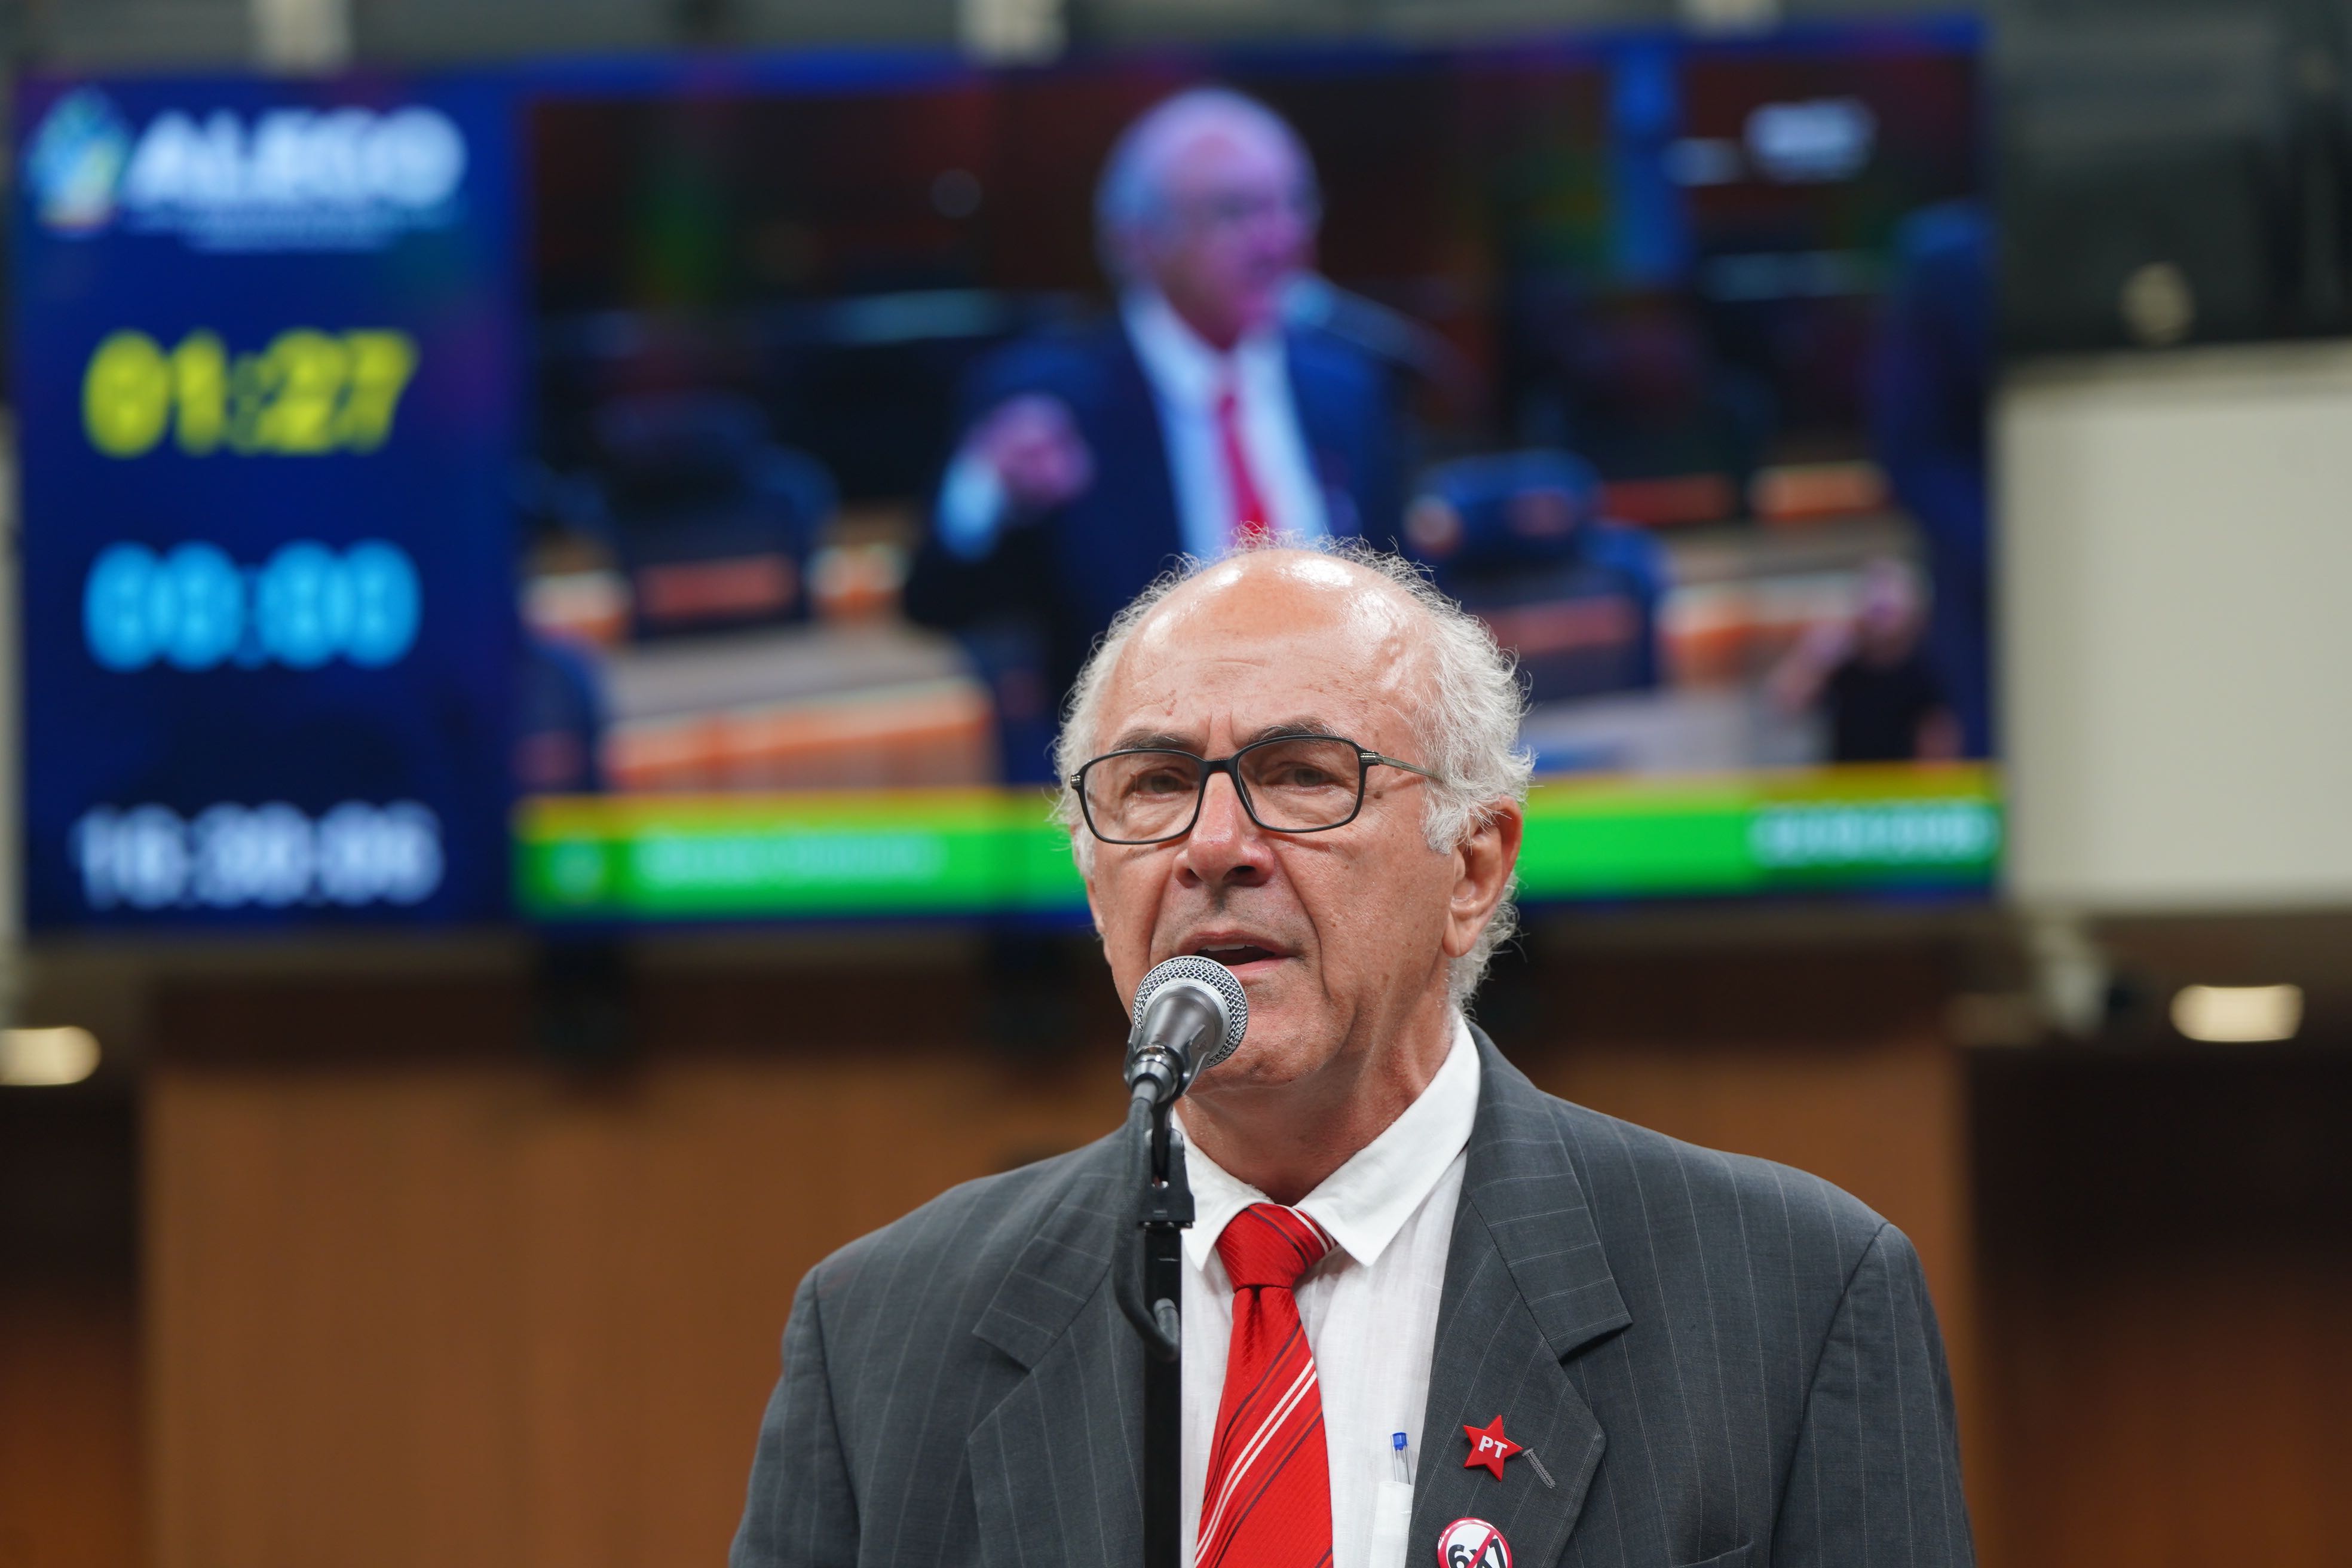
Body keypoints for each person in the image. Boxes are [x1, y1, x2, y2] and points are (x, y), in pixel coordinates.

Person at [734, 541, 1974, 1568]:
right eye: (1156, 782)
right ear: (1093, 871)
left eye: (1301, 775)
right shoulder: (882, 1333)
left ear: (1473, 868)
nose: (1214, 845)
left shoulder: (1794, 1299)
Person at [901, 89, 1404, 765]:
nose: (1278, 239)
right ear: (1137, 239)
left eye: (1294, 204)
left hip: (1334, 764)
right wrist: (985, 490)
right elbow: (935, 602)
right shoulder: (1052, 397)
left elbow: (1407, 591)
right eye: (1236, 211)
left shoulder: (1345, 385)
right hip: (1139, 775)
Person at [1772, 556, 1964, 764]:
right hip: (1846, 779)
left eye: (1888, 612)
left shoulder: (1926, 669)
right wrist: (1813, 657)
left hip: (1900, 780)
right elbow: (1785, 704)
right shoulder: (1843, 662)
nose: (1881, 624)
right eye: (1876, 612)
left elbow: (1939, 742)